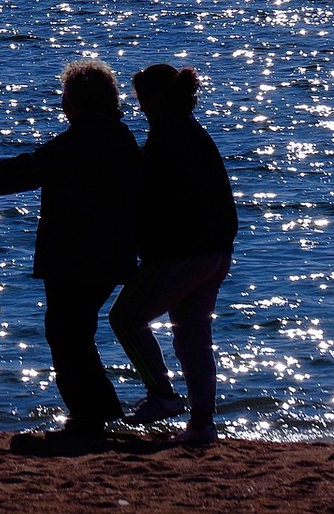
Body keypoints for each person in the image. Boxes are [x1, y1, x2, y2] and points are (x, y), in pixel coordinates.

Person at [0, 60, 140, 438]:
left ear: (81, 100)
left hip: (80, 254)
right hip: (105, 253)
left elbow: (34, 167)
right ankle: (99, 412)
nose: (61, 103)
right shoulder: (116, 135)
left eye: (66, 96)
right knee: (74, 331)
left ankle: (91, 415)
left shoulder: (87, 137)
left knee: (67, 331)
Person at [109, 64, 237, 445]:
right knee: (193, 336)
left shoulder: (168, 139)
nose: (140, 107)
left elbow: (151, 201)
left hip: (183, 253)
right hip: (215, 252)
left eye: (143, 99)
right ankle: (202, 424)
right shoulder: (193, 134)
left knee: (125, 317)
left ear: (159, 99)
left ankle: (162, 394)